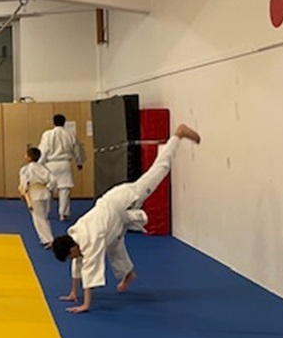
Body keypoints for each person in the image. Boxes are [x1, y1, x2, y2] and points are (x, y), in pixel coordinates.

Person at [51, 123, 201, 314]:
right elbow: (78, 264)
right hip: (114, 219)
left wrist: (86, 305)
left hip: (125, 200)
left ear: (72, 248)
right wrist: (73, 292)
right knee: (114, 246)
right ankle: (128, 274)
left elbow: (90, 270)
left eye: (71, 255)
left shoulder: (90, 239)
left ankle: (178, 135)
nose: (74, 257)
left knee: (159, 170)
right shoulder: (75, 234)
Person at [38, 113, 86, 222]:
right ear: (65, 123)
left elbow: (43, 150)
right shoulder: (70, 134)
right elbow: (77, 150)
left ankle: (45, 212)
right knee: (64, 190)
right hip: (65, 164)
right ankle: (63, 213)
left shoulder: (47, 134)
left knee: (48, 189)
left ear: (53, 122)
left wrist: (39, 164)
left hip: (50, 164)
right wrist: (79, 162)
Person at [18, 147, 56, 248]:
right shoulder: (43, 168)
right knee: (44, 217)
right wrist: (49, 188)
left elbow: (24, 182)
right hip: (45, 193)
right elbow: (53, 180)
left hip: (35, 194)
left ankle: (48, 239)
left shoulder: (26, 169)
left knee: (38, 218)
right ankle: (47, 238)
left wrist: (22, 192)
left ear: (29, 157)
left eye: (26, 155)